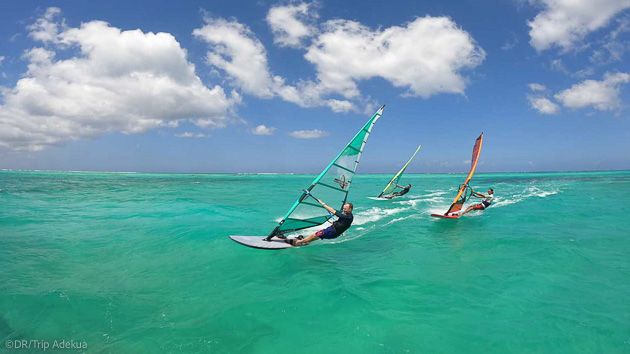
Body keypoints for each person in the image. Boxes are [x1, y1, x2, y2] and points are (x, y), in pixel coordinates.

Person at [287, 199, 354, 246]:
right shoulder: (347, 215)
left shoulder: (349, 217)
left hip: (332, 232)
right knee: (316, 236)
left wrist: (322, 203)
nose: (343, 209)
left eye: (345, 208)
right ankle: (306, 241)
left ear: (350, 209)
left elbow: (333, 211)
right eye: (343, 208)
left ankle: (297, 242)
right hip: (332, 231)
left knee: (314, 235)